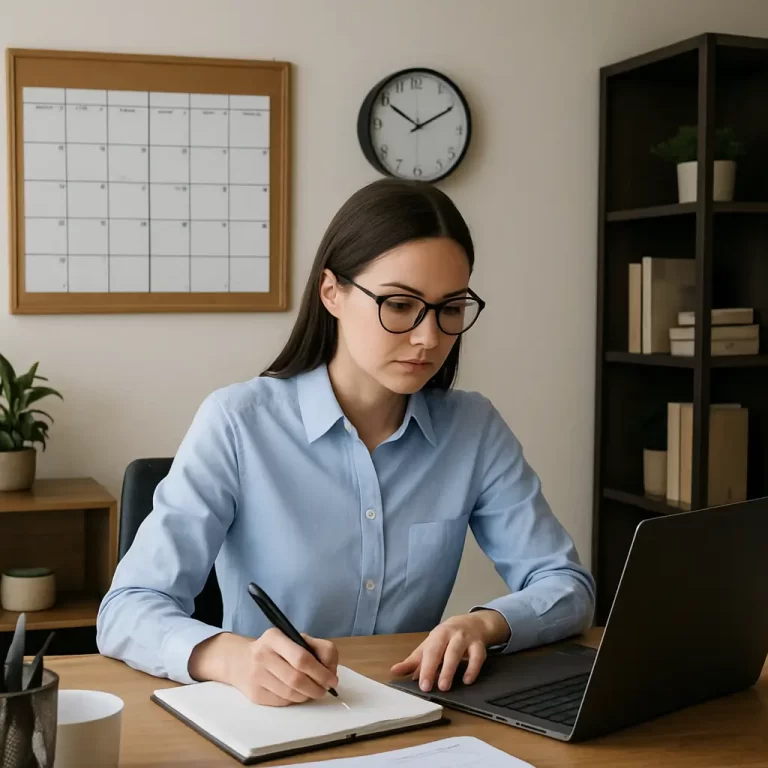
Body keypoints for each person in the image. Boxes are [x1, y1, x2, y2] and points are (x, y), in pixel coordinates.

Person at [96, 178, 595, 707]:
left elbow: (565, 584)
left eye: (451, 308)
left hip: (413, 713)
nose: (430, 338)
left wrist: (487, 624)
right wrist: (233, 658)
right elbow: (128, 608)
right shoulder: (238, 423)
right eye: (400, 305)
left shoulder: (472, 429)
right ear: (332, 292)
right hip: (273, 719)